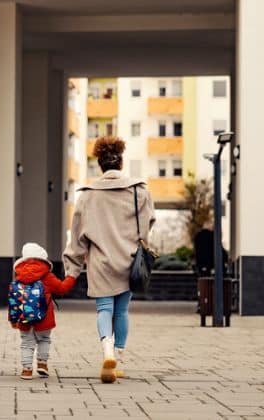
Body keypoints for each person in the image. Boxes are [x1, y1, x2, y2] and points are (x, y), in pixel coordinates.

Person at [63, 136, 155, 384]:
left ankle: (107, 351)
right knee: (122, 310)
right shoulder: (139, 190)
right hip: (129, 261)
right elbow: (147, 225)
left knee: (105, 309)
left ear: (100, 165)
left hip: (100, 263)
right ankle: (119, 359)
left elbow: (77, 236)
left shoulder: (87, 196)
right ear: (121, 162)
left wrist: (71, 269)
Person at [10, 242, 76, 380]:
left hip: (23, 317)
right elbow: (62, 288)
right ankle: (42, 364)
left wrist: (12, 319)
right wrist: (72, 277)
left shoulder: (19, 277)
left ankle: (27, 370)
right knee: (44, 339)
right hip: (44, 317)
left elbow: (14, 298)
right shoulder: (47, 276)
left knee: (27, 343)